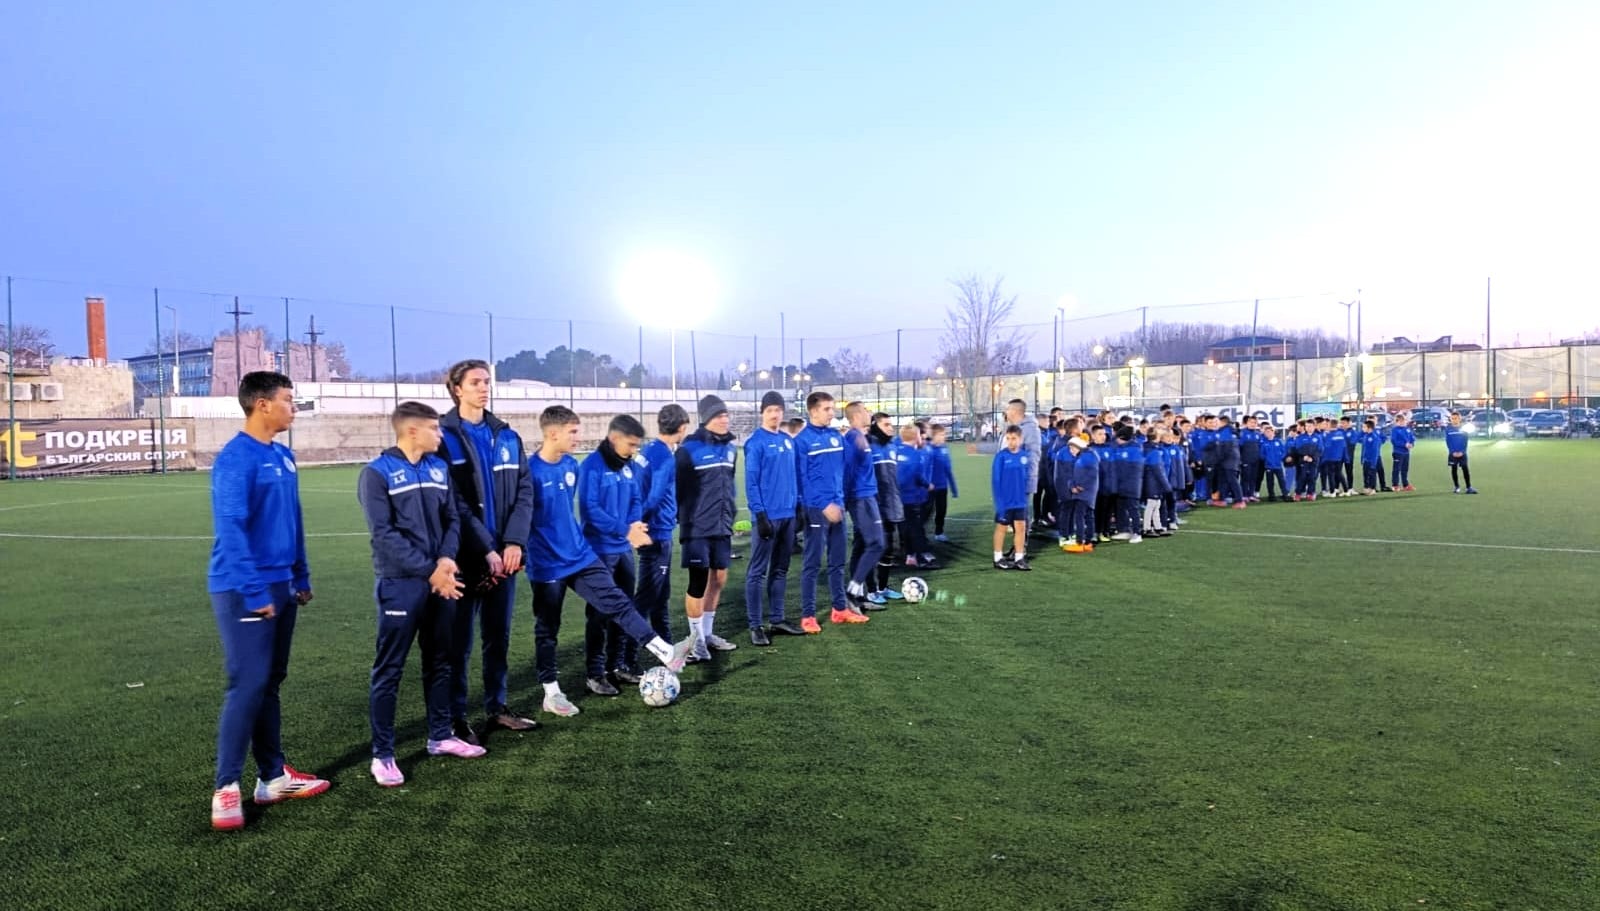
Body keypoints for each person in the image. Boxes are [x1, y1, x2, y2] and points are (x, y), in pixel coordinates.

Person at [207, 371, 329, 831]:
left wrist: (300, 574)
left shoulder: (284, 455)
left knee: (269, 682)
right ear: (262, 404)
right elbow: (231, 528)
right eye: (288, 400)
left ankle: (273, 777)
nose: (293, 408)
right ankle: (225, 788)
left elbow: (293, 519)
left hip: (282, 584)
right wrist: (255, 590)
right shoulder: (235, 459)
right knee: (247, 683)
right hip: (243, 587)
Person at [527, 406, 693, 717]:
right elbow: (555, 514)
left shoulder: (570, 465)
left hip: (580, 555)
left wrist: (631, 526)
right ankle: (552, 692)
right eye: (573, 432)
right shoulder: (531, 471)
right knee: (548, 629)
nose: (579, 437)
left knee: (618, 602)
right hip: (548, 562)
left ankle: (666, 653)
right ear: (553, 433)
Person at [361, 402, 481, 789]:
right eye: (434, 428)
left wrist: (446, 560)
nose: (440, 434)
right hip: (401, 583)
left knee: (441, 660)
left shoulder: (438, 469)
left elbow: (452, 519)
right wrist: (431, 571)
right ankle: (383, 754)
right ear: (412, 431)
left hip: (441, 578)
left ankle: (440, 736)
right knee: (390, 669)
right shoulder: (376, 473)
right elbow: (384, 535)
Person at [437, 359, 537, 746]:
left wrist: (514, 542)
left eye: (487, 381)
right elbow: (453, 503)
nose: (484, 388)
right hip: (465, 558)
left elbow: (525, 491)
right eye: (476, 382)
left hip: (505, 559)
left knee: (498, 637)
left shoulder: (506, 435)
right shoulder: (443, 436)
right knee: (458, 643)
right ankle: (456, 718)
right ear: (456, 389)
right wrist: (484, 548)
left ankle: (497, 707)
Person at [578, 414, 654, 695]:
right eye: (631, 444)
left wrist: (633, 525)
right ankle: (595, 673)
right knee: (599, 613)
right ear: (614, 439)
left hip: (623, 550)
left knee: (624, 607)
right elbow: (590, 510)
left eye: (637, 446)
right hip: (599, 551)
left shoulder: (628, 466)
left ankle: (617, 665)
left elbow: (635, 499)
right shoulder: (591, 466)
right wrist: (625, 530)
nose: (634, 450)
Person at [676, 395, 742, 661]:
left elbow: (729, 484)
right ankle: (696, 641)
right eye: (718, 415)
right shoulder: (688, 449)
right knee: (698, 582)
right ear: (706, 419)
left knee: (719, 579)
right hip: (697, 528)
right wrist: (685, 519)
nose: (724, 419)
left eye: (726, 414)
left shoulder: (731, 449)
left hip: (722, 525)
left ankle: (707, 633)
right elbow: (677, 488)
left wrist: (730, 515)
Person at [744, 391, 806, 645]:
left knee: (781, 569)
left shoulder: (788, 441)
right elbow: (751, 482)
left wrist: (798, 506)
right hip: (768, 517)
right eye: (770, 410)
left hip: (788, 515)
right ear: (762, 413)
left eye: (778, 410)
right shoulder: (755, 443)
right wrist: (759, 515)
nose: (774, 414)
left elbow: (794, 476)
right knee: (757, 572)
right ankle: (755, 625)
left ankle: (777, 619)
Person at [794, 392, 854, 631]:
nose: (832, 413)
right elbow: (802, 480)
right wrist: (823, 504)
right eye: (827, 409)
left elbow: (843, 470)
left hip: (838, 507)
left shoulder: (835, 436)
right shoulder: (802, 441)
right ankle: (807, 615)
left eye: (833, 408)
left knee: (838, 561)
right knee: (812, 563)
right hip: (817, 509)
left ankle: (840, 609)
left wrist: (841, 500)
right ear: (813, 411)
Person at [637, 404, 690, 647]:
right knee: (647, 597)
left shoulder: (647, 450)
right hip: (657, 532)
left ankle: (667, 647)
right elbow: (654, 497)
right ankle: (626, 657)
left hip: (652, 530)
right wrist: (639, 521)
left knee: (660, 595)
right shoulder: (665, 457)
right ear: (681, 427)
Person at [840, 402, 882, 619]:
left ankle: (860, 597)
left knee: (862, 545)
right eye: (866, 410)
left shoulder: (860, 436)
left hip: (867, 495)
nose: (869, 412)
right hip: (860, 497)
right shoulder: (852, 438)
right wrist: (846, 500)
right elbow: (847, 471)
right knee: (877, 544)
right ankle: (852, 591)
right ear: (856, 415)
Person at [863, 412, 903, 607]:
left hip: (891, 505)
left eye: (891, 424)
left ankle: (883, 587)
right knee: (873, 548)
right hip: (873, 506)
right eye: (886, 425)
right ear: (875, 426)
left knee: (889, 548)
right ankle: (870, 591)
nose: (891, 428)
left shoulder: (892, 446)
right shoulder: (868, 446)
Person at [991, 426, 1032, 570]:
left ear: (1020, 439)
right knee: (1001, 528)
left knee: (1021, 528)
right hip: (1006, 501)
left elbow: (1027, 477)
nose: (1010, 442)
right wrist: (999, 502)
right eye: (1008, 439)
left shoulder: (1025, 456)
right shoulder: (1001, 457)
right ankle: (998, 558)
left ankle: (1019, 558)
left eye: (1014, 438)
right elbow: (996, 480)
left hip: (1020, 501)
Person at [1004, 400, 1042, 526]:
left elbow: (1033, 454)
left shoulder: (1030, 429)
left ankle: (1022, 537)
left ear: (1015, 411)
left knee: (1020, 511)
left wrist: (1026, 475)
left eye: (1008, 409)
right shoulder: (1011, 428)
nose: (1006, 412)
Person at [1060, 434, 1098, 554]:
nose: (1071, 451)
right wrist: (1072, 485)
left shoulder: (1086, 458)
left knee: (1079, 517)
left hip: (1084, 494)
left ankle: (1079, 541)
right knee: (1089, 517)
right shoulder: (1086, 456)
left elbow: (1092, 475)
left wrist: (1080, 486)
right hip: (1088, 493)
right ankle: (1088, 542)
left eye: (1072, 448)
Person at [1112, 425, 1145, 543]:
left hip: (1131, 484)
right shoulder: (1119, 449)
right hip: (1120, 485)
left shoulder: (1135, 450)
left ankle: (1137, 533)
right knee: (1120, 507)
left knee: (1133, 508)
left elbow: (1135, 470)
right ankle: (1124, 530)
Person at [926, 424, 959, 543]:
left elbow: (948, 468)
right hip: (929, 487)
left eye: (944, 434)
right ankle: (921, 533)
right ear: (934, 435)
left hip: (942, 486)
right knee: (927, 512)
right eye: (941, 434)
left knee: (941, 510)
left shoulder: (945, 448)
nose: (944, 437)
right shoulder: (927, 449)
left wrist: (953, 488)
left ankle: (939, 532)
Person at [1445, 411, 1478, 494]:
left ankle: (1468, 487)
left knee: (1465, 468)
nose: (1454, 420)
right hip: (1453, 453)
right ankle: (1457, 487)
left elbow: (1465, 442)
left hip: (1462, 453)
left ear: (1459, 419)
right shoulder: (1448, 429)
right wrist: (1452, 452)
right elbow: (1448, 442)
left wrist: (1462, 452)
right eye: (1452, 418)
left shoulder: (1464, 429)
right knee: (1454, 469)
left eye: (1456, 418)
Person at [1260, 424, 1289, 502]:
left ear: (1273, 432)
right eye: (1266, 432)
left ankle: (1285, 495)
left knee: (1282, 481)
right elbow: (1261, 454)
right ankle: (1271, 496)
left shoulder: (1278, 441)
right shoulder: (1264, 443)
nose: (1268, 433)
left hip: (1278, 465)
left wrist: (1280, 458)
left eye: (1270, 432)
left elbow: (1283, 451)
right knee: (1270, 482)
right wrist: (1267, 460)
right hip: (1269, 466)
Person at [1239, 415, 1263, 503]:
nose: (1253, 424)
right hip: (1245, 459)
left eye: (1255, 423)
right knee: (1245, 478)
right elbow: (1239, 447)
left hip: (1256, 460)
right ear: (1247, 423)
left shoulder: (1258, 434)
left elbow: (1260, 446)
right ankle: (1244, 495)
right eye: (1251, 422)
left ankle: (1251, 495)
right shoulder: (1242, 433)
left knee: (1253, 478)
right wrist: (1240, 459)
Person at [1357, 419, 1385, 494]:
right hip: (1365, 460)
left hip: (1371, 460)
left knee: (1372, 474)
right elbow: (1364, 449)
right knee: (1366, 474)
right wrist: (1362, 459)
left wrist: (1373, 463)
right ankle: (1367, 488)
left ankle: (1372, 489)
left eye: (1364, 427)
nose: (1362, 429)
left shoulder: (1375, 438)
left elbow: (1375, 451)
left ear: (1369, 428)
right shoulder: (1365, 436)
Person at [1390, 413, 1416, 491]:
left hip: (1406, 453)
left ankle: (1406, 485)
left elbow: (1412, 438)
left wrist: (1411, 444)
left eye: (1404, 421)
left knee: (1405, 469)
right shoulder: (1395, 430)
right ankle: (1395, 485)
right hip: (1398, 452)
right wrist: (1404, 444)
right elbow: (1394, 441)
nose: (1403, 422)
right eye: (1401, 421)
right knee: (1396, 469)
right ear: (1397, 422)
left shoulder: (1407, 429)